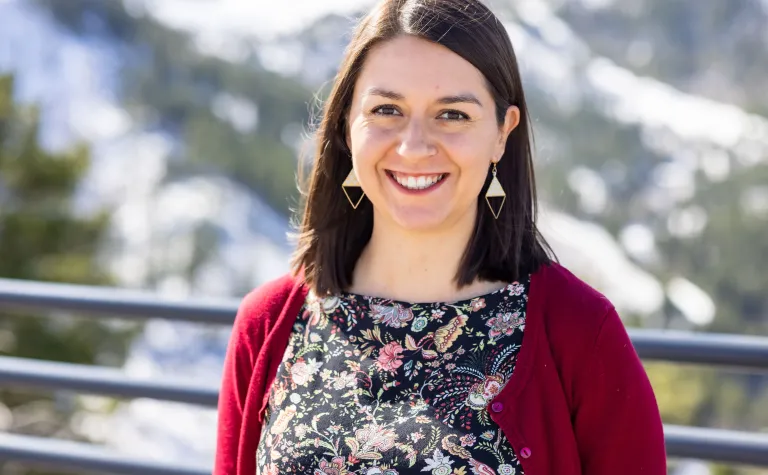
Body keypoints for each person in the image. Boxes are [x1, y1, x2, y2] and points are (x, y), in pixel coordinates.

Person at [214, 0, 666, 473]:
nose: (413, 147)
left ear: (501, 133)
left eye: (452, 115)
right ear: (349, 125)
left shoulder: (580, 334)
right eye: (386, 109)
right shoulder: (268, 326)